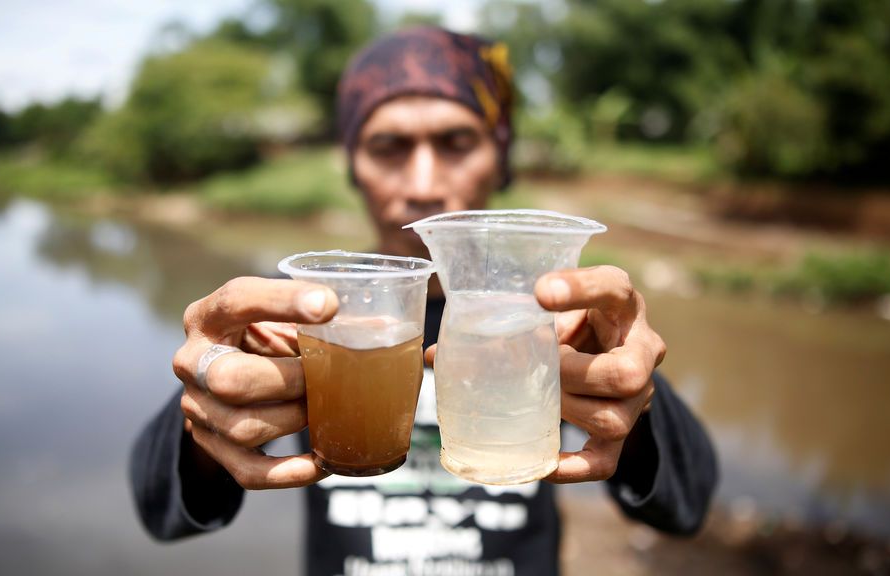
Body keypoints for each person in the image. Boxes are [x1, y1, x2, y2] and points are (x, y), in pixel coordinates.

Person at [131, 26, 717, 576]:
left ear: (501, 157)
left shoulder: (559, 318)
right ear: (353, 168)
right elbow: (160, 510)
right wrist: (204, 415)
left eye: (456, 142)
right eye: (388, 147)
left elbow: (684, 506)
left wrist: (632, 397)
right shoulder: (300, 317)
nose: (422, 183)